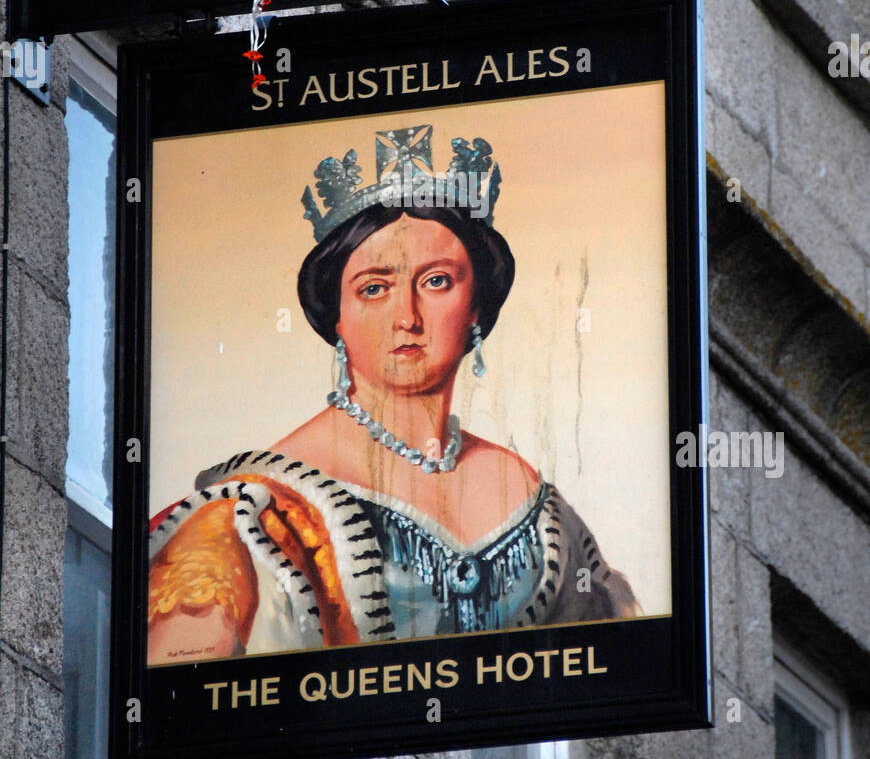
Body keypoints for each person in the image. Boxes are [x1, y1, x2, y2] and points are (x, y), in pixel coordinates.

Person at [147, 124, 640, 666]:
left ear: (476, 306)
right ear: (336, 316)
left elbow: (617, 676)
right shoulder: (251, 513)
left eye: (436, 282)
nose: (406, 318)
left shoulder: (537, 508)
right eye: (374, 289)